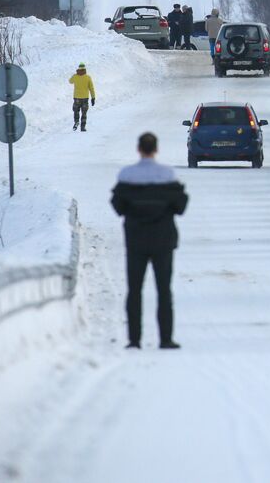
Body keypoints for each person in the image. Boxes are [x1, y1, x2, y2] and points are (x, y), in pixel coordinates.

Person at [110, 132, 189, 349]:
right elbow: (181, 207)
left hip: (135, 240)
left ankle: (134, 340)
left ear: (139, 149)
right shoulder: (168, 175)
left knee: (134, 290)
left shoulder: (127, 175)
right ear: (156, 150)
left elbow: (118, 207)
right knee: (164, 289)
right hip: (163, 241)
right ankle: (165, 339)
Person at [69, 62, 96, 131]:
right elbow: (91, 88)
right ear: (85, 69)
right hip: (85, 98)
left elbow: (70, 81)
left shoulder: (75, 76)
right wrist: (93, 97)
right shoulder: (88, 77)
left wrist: (75, 75)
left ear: (79, 68)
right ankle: (83, 127)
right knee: (84, 112)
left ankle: (76, 121)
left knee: (76, 111)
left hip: (77, 97)